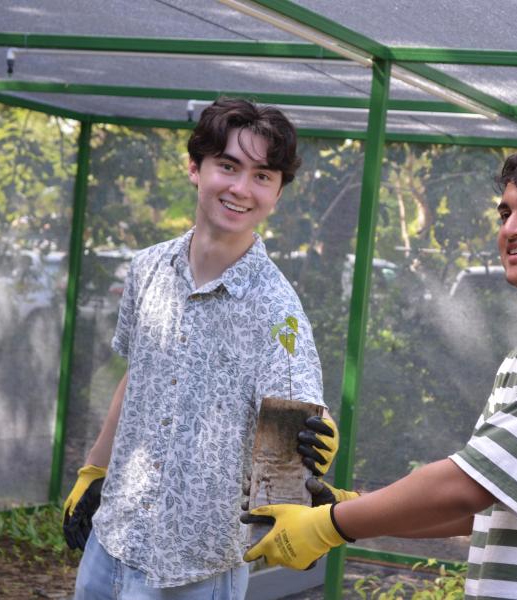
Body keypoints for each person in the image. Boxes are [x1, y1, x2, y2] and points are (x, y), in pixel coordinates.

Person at [244, 148, 517, 600]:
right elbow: (490, 504)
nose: (511, 228)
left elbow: (468, 487)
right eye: (505, 213)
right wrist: (353, 508)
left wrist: (329, 525)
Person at [61, 97, 340, 599]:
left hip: (194, 570)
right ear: (195, 167)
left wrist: (308, 466)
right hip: (112, 541)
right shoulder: (147, 269)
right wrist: (95, 469)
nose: (240, 188)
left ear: (277, 193)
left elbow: (292, 430)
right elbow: (138, 375)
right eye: (228, 166)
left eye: (262, 176)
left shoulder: (278, 310)